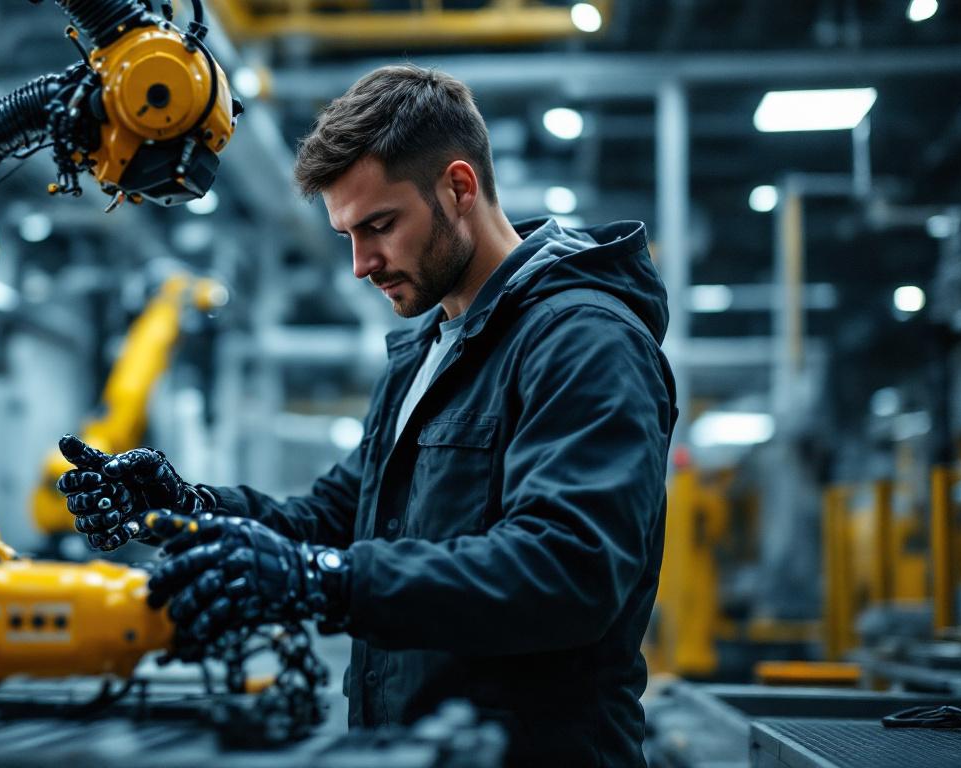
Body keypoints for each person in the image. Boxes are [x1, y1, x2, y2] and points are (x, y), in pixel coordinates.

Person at [57, 64, 677, 767]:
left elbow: (569, 571)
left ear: (459, 188)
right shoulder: (427, 351)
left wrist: (324, 579)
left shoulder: (583, 341)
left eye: (379, 226)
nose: (360, 264)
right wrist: (191, 511)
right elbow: (338, 516)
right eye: (348, 234)